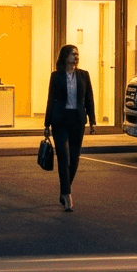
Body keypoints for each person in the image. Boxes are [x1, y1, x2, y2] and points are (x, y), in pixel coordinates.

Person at [44, 44, 95, 211]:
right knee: (64, 158)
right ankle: (67, 195)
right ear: (65, 56)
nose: (76, 56)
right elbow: (51, 99)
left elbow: (89, 99)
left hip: (77, 120)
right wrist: (46, 124)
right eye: (73, 54)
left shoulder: (84, 75)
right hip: (60, 120)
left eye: (77, 54)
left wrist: (92, 121)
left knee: (74, 159)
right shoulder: (56, 76)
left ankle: (63, 190)